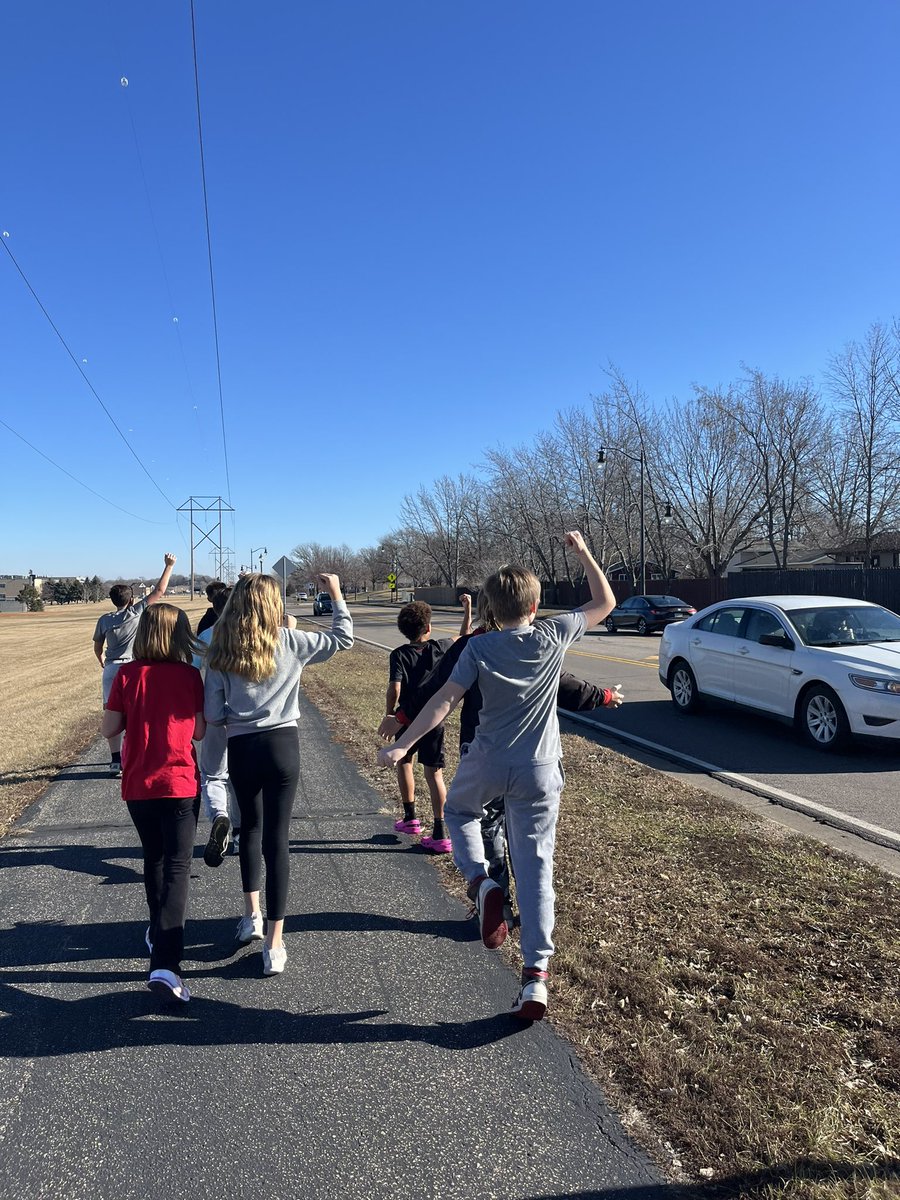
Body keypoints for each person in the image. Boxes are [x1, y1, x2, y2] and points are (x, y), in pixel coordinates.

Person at [378, 532, 615, 1021]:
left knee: (460, 812)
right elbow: (605, 601)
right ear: (534, 604)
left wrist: (404, 743)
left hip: (486, 762)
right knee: (536, 868)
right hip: (539, 770)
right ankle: (536, 979)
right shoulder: (553, 635)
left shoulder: (478, 648)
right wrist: (584, 553)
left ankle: (482, 885)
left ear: (489, 607)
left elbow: (443, 700)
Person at [204, 571, 353, 976]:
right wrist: (336, 593)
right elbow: (342, 639)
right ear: (274, 605)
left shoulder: (220, 649)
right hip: (283, 746)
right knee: (278, 840)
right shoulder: (291, 641)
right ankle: (275, 941)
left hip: (242, 747)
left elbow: (214, 715)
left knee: (248, 831)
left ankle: (251, 915)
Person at [101, 603, 205, 1003]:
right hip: (179, 780)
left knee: (154, 859)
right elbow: (198, 731)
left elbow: (110, 727)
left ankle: (156, 928)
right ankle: (166, 963)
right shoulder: (190, 675)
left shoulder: (127, 675)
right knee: (178, 867)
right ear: (181, 636)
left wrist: (133, 713)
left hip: (139, 783)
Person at [377, 596, 472, 854]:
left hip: (408, 719)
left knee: (404, 763)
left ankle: (410, 819)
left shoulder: (398, 655)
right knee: (434, 774)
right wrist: (467, 610)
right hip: (433, 719)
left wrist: (390, 714)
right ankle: (440, 833)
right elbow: (465, 638)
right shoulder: (440, 647)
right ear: (428, 628)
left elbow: (394, 688)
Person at [93, 553, 178, 777]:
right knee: (135, 713)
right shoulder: (135, 612)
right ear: (130, 600)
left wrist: (102, 660)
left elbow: (97, 646)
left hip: (111, 668)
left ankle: (114, 760)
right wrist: (168, 566)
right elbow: (159, 591)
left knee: (112, 713)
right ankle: (135, 755)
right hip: (133, 668)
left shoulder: (104, 620)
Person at [192, 586, 238, 867]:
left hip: (214, 715)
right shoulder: (254, 637)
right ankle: (241, 833)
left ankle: (220, 816)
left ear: (215, 608)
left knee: (213, 775)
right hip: (247, 718)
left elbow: (191, 672)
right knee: (241, 779)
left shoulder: (206, 637)